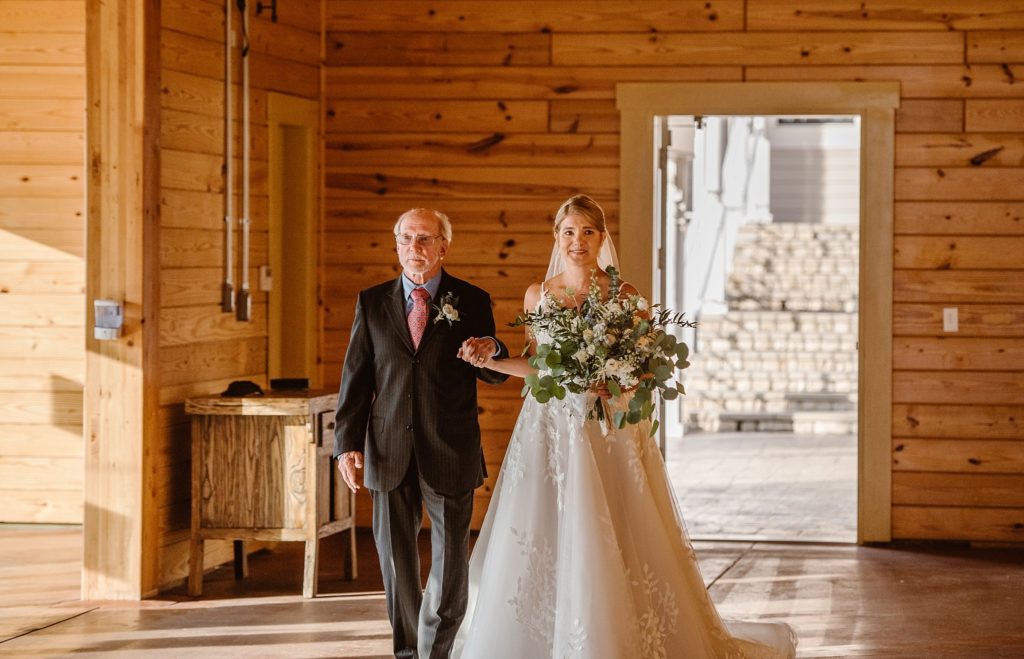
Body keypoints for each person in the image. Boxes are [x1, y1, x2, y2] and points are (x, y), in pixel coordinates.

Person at [453, 194, 797, 658]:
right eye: (569, 232)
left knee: (613, 523)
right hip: (551, 427)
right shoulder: (538, 295)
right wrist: (493, 360)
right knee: (545, 525)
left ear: (602, 238)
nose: (577, 241)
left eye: (587, 232)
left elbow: (644, 369)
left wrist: (616, 383)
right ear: (556, 237)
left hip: (606, 429)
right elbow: (537, 364)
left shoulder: (624, 295)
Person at [333, 208, 510, 659]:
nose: (415, 247)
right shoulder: (371, 302)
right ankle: (408, 652)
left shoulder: (471, 299)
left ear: (443, 246)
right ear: (396, 244)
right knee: (396, 564)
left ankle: (436, 653)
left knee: (450, 565)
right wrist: (346, 446)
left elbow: (493, 372)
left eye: (425, 238)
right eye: (406, 238)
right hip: (387, 449)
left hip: (449, 448)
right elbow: (356, 378)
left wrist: (491, 348)